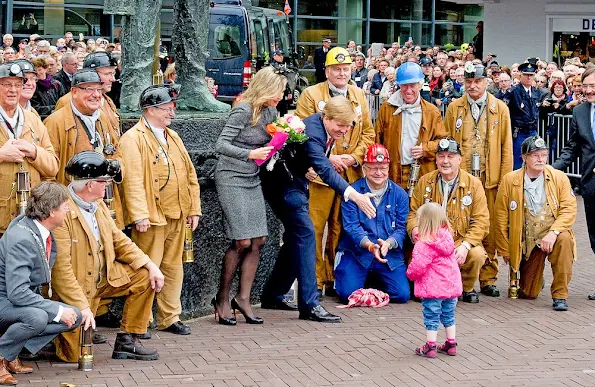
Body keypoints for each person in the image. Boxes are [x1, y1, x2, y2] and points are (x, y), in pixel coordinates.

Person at [260, 96, 376, 322]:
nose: (344, 130)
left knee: (296, 238)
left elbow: (318, 159)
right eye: (339, 126)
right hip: (283, 185)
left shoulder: (320, 126)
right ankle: (310, 304)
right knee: (306, 233)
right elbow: (323, 169)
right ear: (326, 117)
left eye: (348, 126)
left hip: (293, 180)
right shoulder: (314, 132)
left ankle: (273, 293)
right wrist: (354, 195)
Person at [51, 151, 164, 362]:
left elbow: (119, 241)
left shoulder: (98, 204)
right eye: (104, 181)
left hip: (104, 278)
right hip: (78, 290)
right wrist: (82, 307)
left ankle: (127, 340)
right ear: (90, 185)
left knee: (144, 277)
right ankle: (52, 334)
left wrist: (149, 264)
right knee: (74, 356)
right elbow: (61, 271)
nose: (108, 186)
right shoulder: (61, 212)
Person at [119, 84, 201, 335]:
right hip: (151, 218)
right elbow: (131, 180)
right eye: (167, 108)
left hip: (177, 214)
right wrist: (139, 214)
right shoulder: (132, 139)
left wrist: (194, 208)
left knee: (173, 268)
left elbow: (189, 173)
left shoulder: (172, 136)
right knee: (146, 270)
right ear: (150, 110)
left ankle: (169, 317)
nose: (172, 113)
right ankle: (139, 322)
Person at [294, 47, 375, 297]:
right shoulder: (311, 94)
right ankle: (315, 280)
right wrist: (329, 159)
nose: (342, 73)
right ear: (326, 71)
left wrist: (352, 157)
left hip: (349, 174)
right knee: (315, 228)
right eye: (336, 69)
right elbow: (300, 133)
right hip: (319, 176)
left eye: (346, 69)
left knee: (341, 229)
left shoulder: (359, 95)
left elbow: (368, 133)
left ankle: (333, 278)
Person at [212, 68, 285, 325]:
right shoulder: (243, 109)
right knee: (241, 241)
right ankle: (222, 297)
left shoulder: (271, 111)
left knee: (259, 239)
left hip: (252, 177)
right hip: (231, 176)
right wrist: (249, 154)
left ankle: (243, 298)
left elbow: (271, 138)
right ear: (265, 89)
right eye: (277, 92)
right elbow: (220, 145)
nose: (280, 97)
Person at [0, 182, 81, 385]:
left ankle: (11, 353)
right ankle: (2, 355)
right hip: (5, 299)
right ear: (52, 211)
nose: (68, 210)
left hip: (15, 300)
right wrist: (56, 309)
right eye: (65, 206)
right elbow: (17, 293)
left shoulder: (34, 225)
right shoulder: (22, 239)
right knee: (37, 317)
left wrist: (58, 310)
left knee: (75, 316)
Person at [445, 61, 513, 298]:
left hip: (491, 179)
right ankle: (465, 281)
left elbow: (507, 147)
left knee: (491, 230)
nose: (473, 86)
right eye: (469, 82)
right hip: (463, 181)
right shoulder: (454, 108)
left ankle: (488, 279)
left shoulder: (500, 108)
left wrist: (505, 181)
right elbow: (449, 145)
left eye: (477, 81)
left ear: (487, 82)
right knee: (464, 226)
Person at [495, 136, 576, 310]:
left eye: (544, 155)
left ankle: (560, 295)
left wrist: (553, 233)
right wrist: (505, 249)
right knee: (528, 293)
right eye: (535, 155)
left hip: (552, 234)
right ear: (524, 157)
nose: (540, 159)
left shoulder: (559, 177)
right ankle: (536, 279)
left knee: (565, 240)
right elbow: (500, 216)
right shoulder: (510, 180)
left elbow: (569, 209)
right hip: (527, 242)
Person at [408, 138, 490, 303]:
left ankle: (464, 288)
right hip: (430, 242)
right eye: (441, 156)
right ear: (436, 159)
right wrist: (416, 232)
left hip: (459, 241)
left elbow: (481, 221)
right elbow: (413, 214)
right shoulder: (425, 181)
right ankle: (431, 288)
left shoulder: (473, 184)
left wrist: (466, 246)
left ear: (459, 159)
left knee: (477, 254)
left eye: (451, 156)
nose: (445, 161)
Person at [44, 69, 125, 229]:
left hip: (104, 203)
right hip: (71, 208)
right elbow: (48, 171)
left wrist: (117, 165)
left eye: (99, 89)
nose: (96, 95)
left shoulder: (102, 117)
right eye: (89, 89)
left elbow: (117, 150)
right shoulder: (55, 122)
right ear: (74, 92)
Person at [334, 144, 410, 303]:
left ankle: (372, 281)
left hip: (388, 256)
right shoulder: (352, 192)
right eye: (373, 168)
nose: (378, 172)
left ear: (388, 168)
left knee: (402, 295)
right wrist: (369, 245)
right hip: (359, 254)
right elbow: (351, 227)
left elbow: (402, 229)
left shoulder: (400, 195)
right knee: (346, 294)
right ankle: (365, 279)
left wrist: (388, 244)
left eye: (383, 168)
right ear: (364, 169)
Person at [552, 67, 595, 300]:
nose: (588, 91)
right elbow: (573, 148)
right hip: (591, 183)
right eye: (584, 86)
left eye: (592, 86)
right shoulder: (579, 112)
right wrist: (552, 168)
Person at [0, 62, 58, 235]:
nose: (13, 90)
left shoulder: (33, 120)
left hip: (31, 218)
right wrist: (2, 155)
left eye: (18, 85)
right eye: (6, 84)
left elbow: (53, 167)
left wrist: (34, 152)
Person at [374, 62, 447, 190]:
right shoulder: (387, 108)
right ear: (398, 85)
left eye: (412, 85)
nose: (408, 91)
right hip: (392, 173)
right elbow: (377, 141)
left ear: (419, 85)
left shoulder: (431, 112)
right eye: (404, 86)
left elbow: (443, 142)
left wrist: (425, 149)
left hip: (422, 173)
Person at [406, 202, 461, 358]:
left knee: (431, 315)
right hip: (451, 286)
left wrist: (410, 274)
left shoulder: (424, 244)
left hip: (433, 288)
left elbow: (418, 266)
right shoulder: (447, 238)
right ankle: (451, 343)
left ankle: (431, 345)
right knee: (449, 314)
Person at [55, 52, 120, 138]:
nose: (113, 79)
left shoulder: (107, 100)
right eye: (107, 74)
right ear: (91, 74)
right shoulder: (68, 101)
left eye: (113, 73)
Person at [508, 61, 540, 169]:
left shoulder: (535, 92)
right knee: (518, 160)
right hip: (519, 132)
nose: (529, 78)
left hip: (532, 130)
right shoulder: (514, 92)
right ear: (520, 75)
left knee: (534, 158)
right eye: (526, 75)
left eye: (531, 75)